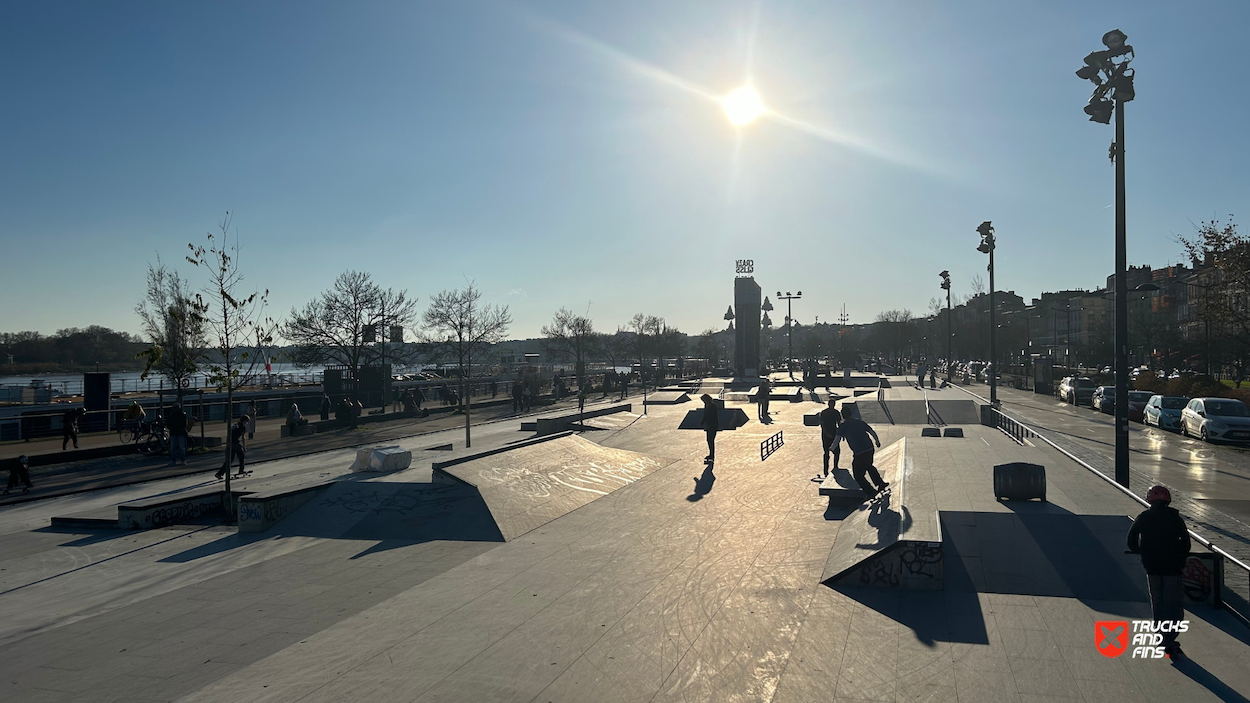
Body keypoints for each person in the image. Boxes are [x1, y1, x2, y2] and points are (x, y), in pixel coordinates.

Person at [1127, 485, 1191, 658]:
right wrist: (1181, 559)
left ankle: (1161, 634)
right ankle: (1170, 639)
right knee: (1173, 603)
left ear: (1150, 499)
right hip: (1173, 568)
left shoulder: (1144, 517)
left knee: (1158, 601)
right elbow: (1186, 542)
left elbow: (1131, 539)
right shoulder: (1175, 518)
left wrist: (1140, 551)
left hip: (1152, 567)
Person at [832, 407, 889, 499]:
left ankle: (871, 492)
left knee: (858, 475)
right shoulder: (859, 422)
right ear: (851, 414)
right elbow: (871, 431)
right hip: (870, 448)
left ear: (843, 416)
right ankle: (880, 483)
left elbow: (837, 439)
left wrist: (832, 448)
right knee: (868, 465)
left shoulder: (843, 426)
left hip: (859, 452)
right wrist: (877, 441)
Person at [819, 398, 842, 478]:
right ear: (828, 404)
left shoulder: (836, 413)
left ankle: (835, 467)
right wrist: (827, 433)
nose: (832, 406)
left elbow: (839, 424)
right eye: (831, 405)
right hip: (825, 435)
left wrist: (841, 434)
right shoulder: (824, 413)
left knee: (837, 452)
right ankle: (825, 471)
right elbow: (822, 425)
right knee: (826, 453)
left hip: (834, 433)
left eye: (833, 405)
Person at [701, 393, 720, 463]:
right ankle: (711, 454)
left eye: (704, 400)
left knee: (710, 440)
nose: (703, 402)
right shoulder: (707, 405)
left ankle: (712, 455)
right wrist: (703, 422)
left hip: (713, 426)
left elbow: (713, 417)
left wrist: (710, 424)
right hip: (709, 425)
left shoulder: (712, 406)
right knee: (709, 440)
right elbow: (705, 414)